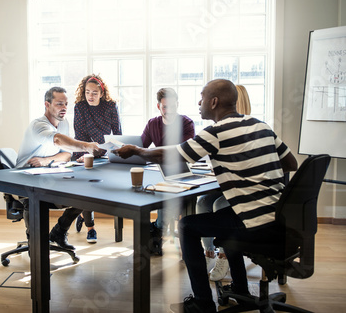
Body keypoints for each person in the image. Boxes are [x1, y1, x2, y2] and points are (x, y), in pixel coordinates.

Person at [113, 79, 298, 313]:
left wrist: (137, 150)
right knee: (226, 215)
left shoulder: (216, 132)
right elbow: (291, 163)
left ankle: (202, 303)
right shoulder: (260, 125)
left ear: (214, 101)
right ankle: (240, 289)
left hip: (254, 224)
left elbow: (174, 156)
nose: (198, 102)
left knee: (188, 226)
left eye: (201, 97)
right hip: (278, 218)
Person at [16, 86, 102, 250]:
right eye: (59, 104)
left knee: (85, 192)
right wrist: (85, 145)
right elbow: (57, 140)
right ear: (47, 105)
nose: (64, 108)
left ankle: (59, 231)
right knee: (32, 197)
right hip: (24, 179)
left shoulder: (63, 123)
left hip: (48, 176)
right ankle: (35, 242)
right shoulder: (38, 125)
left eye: (66, 104)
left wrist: (45, 160)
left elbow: (66, 155)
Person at [196, 84, 252, 281]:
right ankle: (208, 252)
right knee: (203, 201)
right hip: (226, 185)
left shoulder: (250, 129)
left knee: (220, 204)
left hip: (246, 193)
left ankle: (223, 254)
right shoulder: (216, 131)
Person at [141, 88, 194, 255]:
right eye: (165, 107)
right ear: (158, 106)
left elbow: (183, 152)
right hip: (159, 171)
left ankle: (157, 230)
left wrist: (155, 154)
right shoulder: (152, 124)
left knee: (168, 192)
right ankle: (154, 230)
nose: (168, 111)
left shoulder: (186, 123)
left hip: (180, 174)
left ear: (177, 104)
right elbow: (141, 147)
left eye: (172, 106)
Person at [72, 74, 122, 243]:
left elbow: (118, 134)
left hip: (106, 153)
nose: (90, 96)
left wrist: (116, 153)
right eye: (87, 92)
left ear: (101, 93)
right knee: (86, 190)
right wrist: (84, 154)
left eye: (94, 92)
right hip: (84, 153)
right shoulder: (80, 107)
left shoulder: (111, 106)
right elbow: (79, 136)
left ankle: (82, 213)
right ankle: (90, 228)